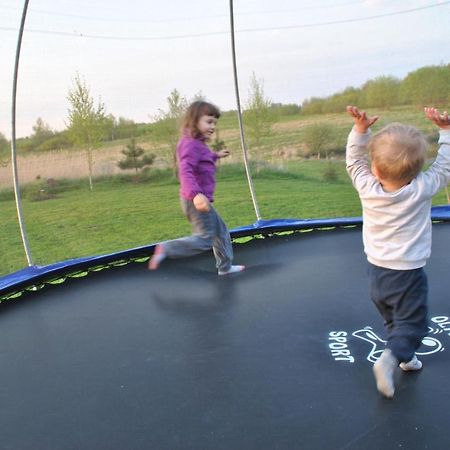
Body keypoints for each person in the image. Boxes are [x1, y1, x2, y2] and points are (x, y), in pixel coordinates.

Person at [346, 105, 450, 398]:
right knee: (414, 324)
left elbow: (353, 161)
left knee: (394, 318)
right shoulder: (423, 188)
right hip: (407, 274)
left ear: (375, 169)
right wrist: (446, 132)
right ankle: (390, 358)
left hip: (376, 273)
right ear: (417, 170)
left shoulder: (367, 186)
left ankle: (405, 357)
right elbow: (445, 166)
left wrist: (360, 131)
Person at [148, 100, 245, 276]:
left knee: (221, 231)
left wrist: (216, 155)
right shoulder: (190, 144)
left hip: (200, 199)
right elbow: (186, 170)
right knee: (206, 238)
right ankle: (167, 249)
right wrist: (196, 195)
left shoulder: (198, 144)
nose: (213, 126)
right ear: (194, 121)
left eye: (215, 122)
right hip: (195, 200)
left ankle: (225, 267)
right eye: (209, 121)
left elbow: (203, 160)